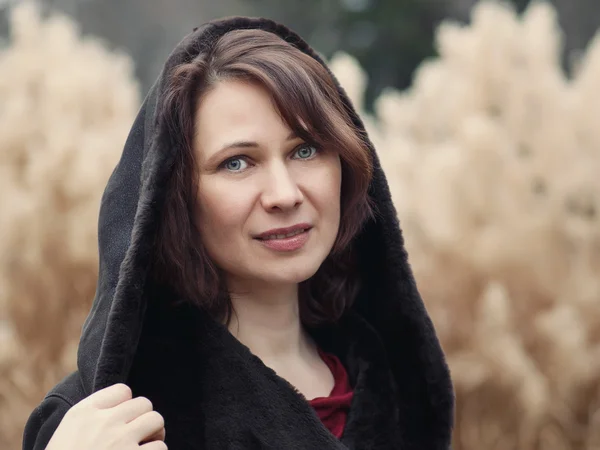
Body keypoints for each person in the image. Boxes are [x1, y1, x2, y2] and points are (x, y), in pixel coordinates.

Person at [22, 16, 454, 450]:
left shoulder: (397, 387)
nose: (284, 195)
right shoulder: (107, 421)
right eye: (237, 162)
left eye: (306, 150)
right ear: (174, 196)